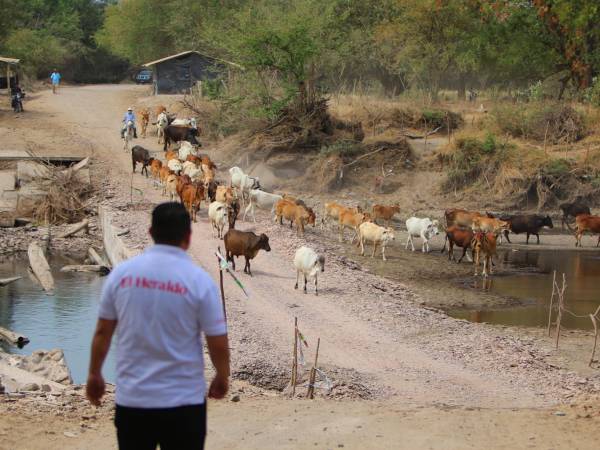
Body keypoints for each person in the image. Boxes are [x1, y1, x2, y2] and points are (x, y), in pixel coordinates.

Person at [86, 202, 230, 450]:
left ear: (151, 233)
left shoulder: (121, 275)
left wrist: (94, 373)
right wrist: (222, 375)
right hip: (185, 403)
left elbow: (102, 332)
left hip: (133, 402)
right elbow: (217, 340)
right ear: (188, 236)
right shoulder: (199, 281)